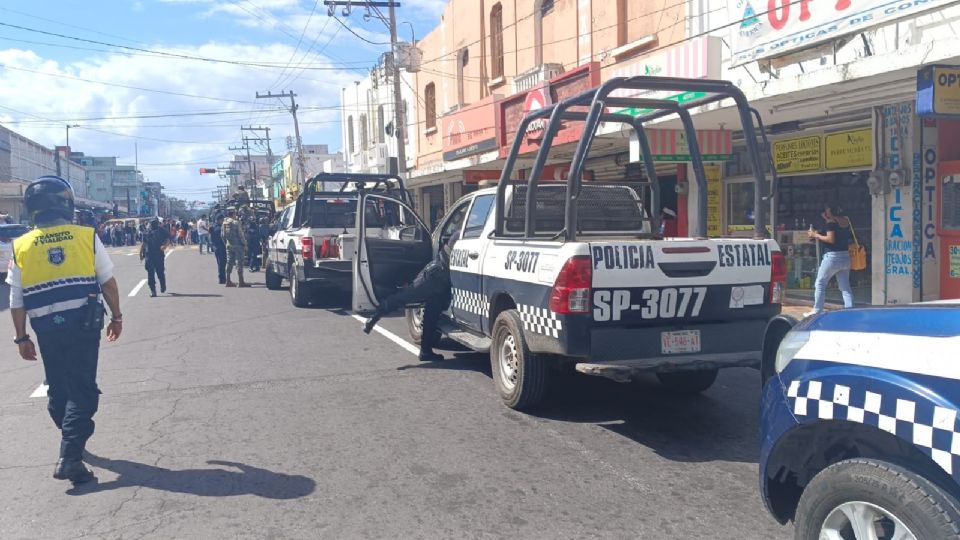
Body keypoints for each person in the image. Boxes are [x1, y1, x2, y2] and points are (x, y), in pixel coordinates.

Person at [6, 176, 123, 484]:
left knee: (58, 388)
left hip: (46, 329)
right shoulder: (85, 236)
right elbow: (108, 282)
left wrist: (21, 337)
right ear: (67, 204)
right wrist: (118, 316)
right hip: (82, 326)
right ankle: (70, 456)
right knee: (83, 391)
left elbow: (16, 299)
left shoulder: (21, 245)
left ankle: (71, 438)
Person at [362, 232, 459, 362]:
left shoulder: (463, 231)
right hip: (436, 275)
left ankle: (425, 351)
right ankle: (373, 318)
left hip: (442, 281)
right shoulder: (461, 233)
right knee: (404, 296)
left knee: (432, 316)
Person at [807, 203, 855, 315]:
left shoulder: (831, 223)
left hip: (832, 257)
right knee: (845, 287)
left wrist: (815, 235)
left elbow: (831, 239)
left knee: (820, 283)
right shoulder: (845, 220)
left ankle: (817, 310)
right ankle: (851, 310)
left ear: (829, 212)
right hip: (845, 256)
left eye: (826, 211)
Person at [139, 219, 168, 297]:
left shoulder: (162, 231)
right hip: (149, 255)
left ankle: (163, 285)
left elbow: (167, 239)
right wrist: (141, 253)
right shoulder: (147, 232)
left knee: (160, 272)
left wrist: (164, 246)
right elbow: (144, 243)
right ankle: (153, 290)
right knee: (150, 273)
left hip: (159, 255)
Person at [221, 209, 249, 287]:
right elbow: (241, 235)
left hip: (229, 245)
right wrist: (245, 244)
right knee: (239, 263)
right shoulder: (236, 223)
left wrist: (226, 243)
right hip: (238, 246)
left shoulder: (224, 223)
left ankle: (228, 280)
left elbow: (222, 235)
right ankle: (241, 281)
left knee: (229, 262)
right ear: (233, 214)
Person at [210, 215, 227, 284]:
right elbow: (222, 238)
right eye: (222, 220)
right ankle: (222, 279)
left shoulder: (213, 227)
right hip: (221, 248)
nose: (223, 221)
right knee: (222, 264)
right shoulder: (219, 229)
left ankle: (222, 278)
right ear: (219, 220)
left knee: (220, 263)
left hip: (216, 247)